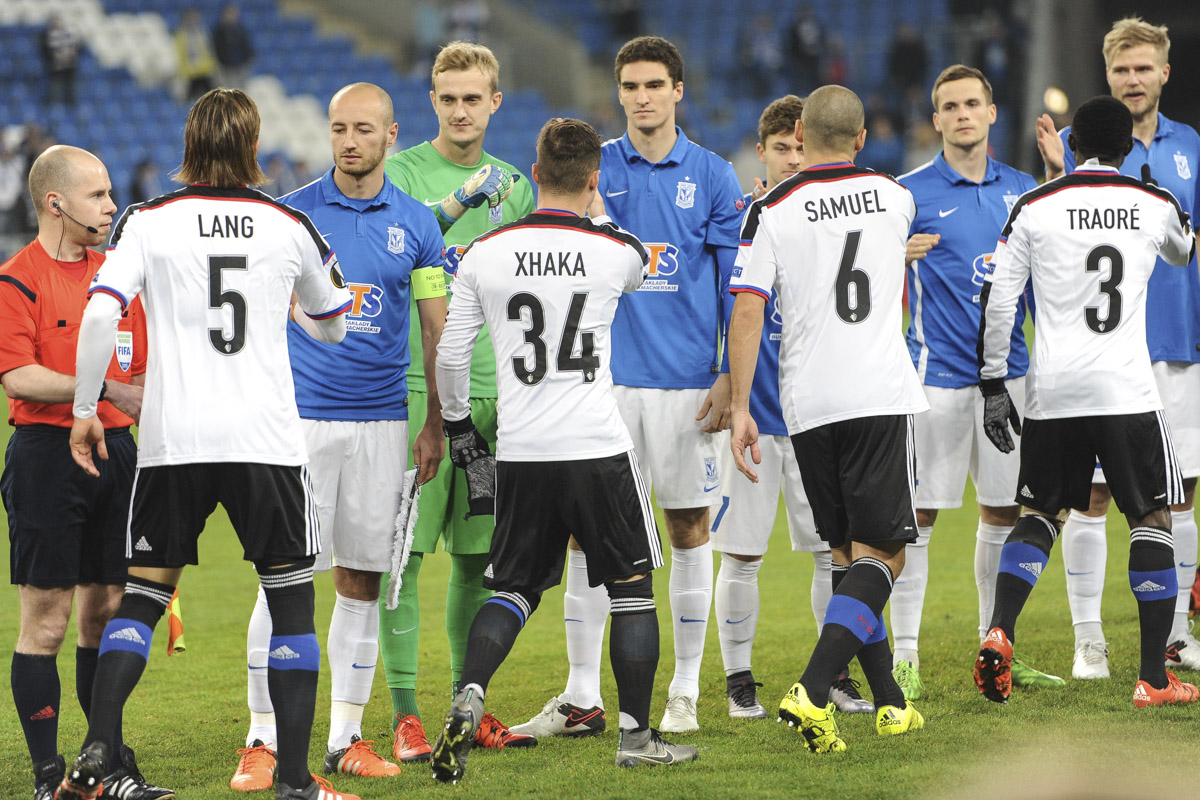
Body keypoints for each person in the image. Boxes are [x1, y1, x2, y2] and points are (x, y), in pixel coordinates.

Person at [55, 88, 357, 800]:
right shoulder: (288, 223)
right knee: (290, 605)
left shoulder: (150, 221)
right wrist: (291, 307)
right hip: (266, 442)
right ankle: (292, 781)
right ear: (253, 145)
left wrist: (82, 408)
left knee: (142, 598)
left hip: (175, 439)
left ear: (189, 143)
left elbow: (101, 315)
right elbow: (336, 325)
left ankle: (100, 744)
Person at [428, 117, 697, 784]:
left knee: (514, 588)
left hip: (522, 449)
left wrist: (461, 427)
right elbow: (633, 260)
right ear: (594, 178)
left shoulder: (486, 251)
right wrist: (598, 212)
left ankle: (471, 694)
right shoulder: (613, 250)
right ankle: (636, 737)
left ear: (536, 173)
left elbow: (452, 352)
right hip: (596, 445)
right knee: (632, 589)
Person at [514, 34, 743, 739]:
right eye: (631, 86)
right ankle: (583, 696)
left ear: (678, 91)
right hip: (598, 387)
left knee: (687, 529)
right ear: (618, 93)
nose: (642, 97)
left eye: (655, 85)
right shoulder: (593, 170)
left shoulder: (711, 176)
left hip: (684, 387)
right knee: (587, 539)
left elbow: (738, 288)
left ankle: (682, 690)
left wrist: (731, 376)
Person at [228, 83, 448, 791]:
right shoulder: (292, 215)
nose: (349, 140)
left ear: (391, 134)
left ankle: (346, 737)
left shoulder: (417, 223)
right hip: (302, 424)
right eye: (338, 128)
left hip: (383, 422)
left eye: (363, 129)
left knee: (362, 578)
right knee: (285, 578)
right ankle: (261, 738)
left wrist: (436, 420)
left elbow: (434, 327)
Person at [977, 94, 1198, 709]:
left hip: (1053, 391)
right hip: (1127, 389)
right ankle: (1154, 678)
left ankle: (1000, 630)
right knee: (1151, 518)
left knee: (1041, 515)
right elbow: (1184, 249)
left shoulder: (1033, 205)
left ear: (1072, 147)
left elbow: (1000, 300)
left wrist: (994, 384)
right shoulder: (1153, 202)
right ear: (1127, 148)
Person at [730, 85, 927, 752]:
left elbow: (750, 310)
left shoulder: (770, 208)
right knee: (888, 555)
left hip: (806, 403)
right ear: (864, 138)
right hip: (875, 392)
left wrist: (737, 405)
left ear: (802, 137)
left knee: (846, 554)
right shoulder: (896, 197)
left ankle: (890, 703)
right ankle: (813, 689)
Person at [380, 40, 536, 761]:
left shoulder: (519, 189)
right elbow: (404, 251)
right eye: (448, 98)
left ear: (495, 102)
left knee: (480, 562)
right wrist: (456, 203)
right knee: (404, 559)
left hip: (495, 399)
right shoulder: (404, 173)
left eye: (474, 98)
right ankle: (406, 714)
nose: (461, 110)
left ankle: (465, 706)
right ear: (433, 101)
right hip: (418, 394)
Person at [0, 145, 169, 800]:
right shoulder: (16, 279)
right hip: (45, 454)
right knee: (47, 618)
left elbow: (144, 373)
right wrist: (101, 390)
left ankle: (107, 766)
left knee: (105, 614)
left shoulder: (118, 280)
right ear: (55, 202)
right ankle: (48, 775)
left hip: (119, 456)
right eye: (97, 195)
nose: (110, 205)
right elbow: (18, 376)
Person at [1035, 16, 1200, 678]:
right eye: (1121, 70)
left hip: (1179, 345)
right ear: (1107, 76)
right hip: (1103, 356)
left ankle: (1176, 637)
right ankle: (1089, 640)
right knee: (1093, 497)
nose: (1132, 79)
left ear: (1164, 72)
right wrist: (1054, 173)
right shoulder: (1077, 148)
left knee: (1179, 493)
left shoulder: (1192, 146)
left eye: (1143, 68)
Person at [893, 64, 1063, 699]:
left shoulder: (1022, 191)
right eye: (950, 106)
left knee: (1002, 514)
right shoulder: (906, 194)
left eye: (973, 103)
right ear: (935, 119)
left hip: (1009, 379)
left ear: (993, 113)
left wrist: (1057, 178)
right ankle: (905, 659)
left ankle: (997, 643)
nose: (963, 114)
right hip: (934, 383)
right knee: (915, 520)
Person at [711, 94, 869, 720]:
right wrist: (728, 380)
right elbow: (732, 311)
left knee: (834, 549)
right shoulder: (748, 219)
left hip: (818, 417)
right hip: (757, 414)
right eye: (781, 149)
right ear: (763, 152)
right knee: (742, 552)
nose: (792, 158)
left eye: (800, 147)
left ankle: (832, 674)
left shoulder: (839, 222)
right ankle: (738, 678)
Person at [175, 8, 216, 102]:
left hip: (204, 71)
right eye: (190, 19)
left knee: (211, 99)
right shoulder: (180, 35)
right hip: (188, 73)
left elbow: (209, 51)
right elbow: (178, 54)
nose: (193, 21)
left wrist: (210, 66)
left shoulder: (202, 33)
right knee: (189, 100)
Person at [40, 15, 80, 106]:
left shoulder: (68, 34)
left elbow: (76, 48)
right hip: (55, 69)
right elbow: (45, 50)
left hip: (69, 68)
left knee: (70, 91)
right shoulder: (47, 35)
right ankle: (55, 108)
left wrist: (72, 55)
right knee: (55, 90)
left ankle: (71, 108)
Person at [212, 3, 254, 89]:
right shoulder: (219, 32)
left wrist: (247, 60)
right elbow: (216, 49)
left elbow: (247, 46)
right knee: (228, 90)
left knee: (241, 90)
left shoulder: (241, 30)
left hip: (241, 65)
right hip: (225, 67)